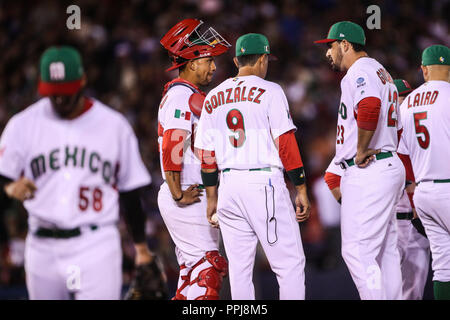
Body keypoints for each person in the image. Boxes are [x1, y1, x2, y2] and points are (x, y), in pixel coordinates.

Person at [0, 46, 164, 299]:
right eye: (54, 93)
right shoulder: (22, 125)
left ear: (83, 81)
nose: (60, 100)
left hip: (96, 244)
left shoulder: (113, 125)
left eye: (66, 92)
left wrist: (141, 248)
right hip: (42, 245)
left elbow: (130, 192)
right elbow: (3, 180)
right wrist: (8, 188)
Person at [195, 33, 311, 300]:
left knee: (239, 270)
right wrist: (301, 187)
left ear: (236, 60)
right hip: (263, 183)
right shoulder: (270, 90)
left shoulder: (213, 96)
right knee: (289, 265)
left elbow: (207, 155)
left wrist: (212, 197)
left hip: (228, 187)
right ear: (262, 59)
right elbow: (286, 143)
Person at [315, 21, 404, 299]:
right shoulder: (382, 72)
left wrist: (363, 148)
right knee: (386, 250)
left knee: (356, 250)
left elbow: (369, 106)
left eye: (330, 46)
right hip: (387, 165)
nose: (328, 53)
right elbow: (397, 127)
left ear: (345, 44)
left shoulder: (360, 70)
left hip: (370, 167)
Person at [157, 18, 230, 300]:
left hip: (189, 189)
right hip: (187, 191)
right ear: (190, 62)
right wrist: (177, 192)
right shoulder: (180, 95)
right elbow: (174, 142)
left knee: (192, 274)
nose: (213, 67)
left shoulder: (185, 94)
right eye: (208, 60)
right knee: (207, 268)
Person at [397, 44, 450, 300]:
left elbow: (403, 154)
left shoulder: (407, 104)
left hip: (424, 193)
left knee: (443, 267)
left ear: (424, 70)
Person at [393, 79, 430, 300]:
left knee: (413, 294)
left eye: (408, 98)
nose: (405, 104)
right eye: (401, 99)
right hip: (391, 224)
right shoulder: (376, 135)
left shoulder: (422, 136)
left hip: (419, 223)